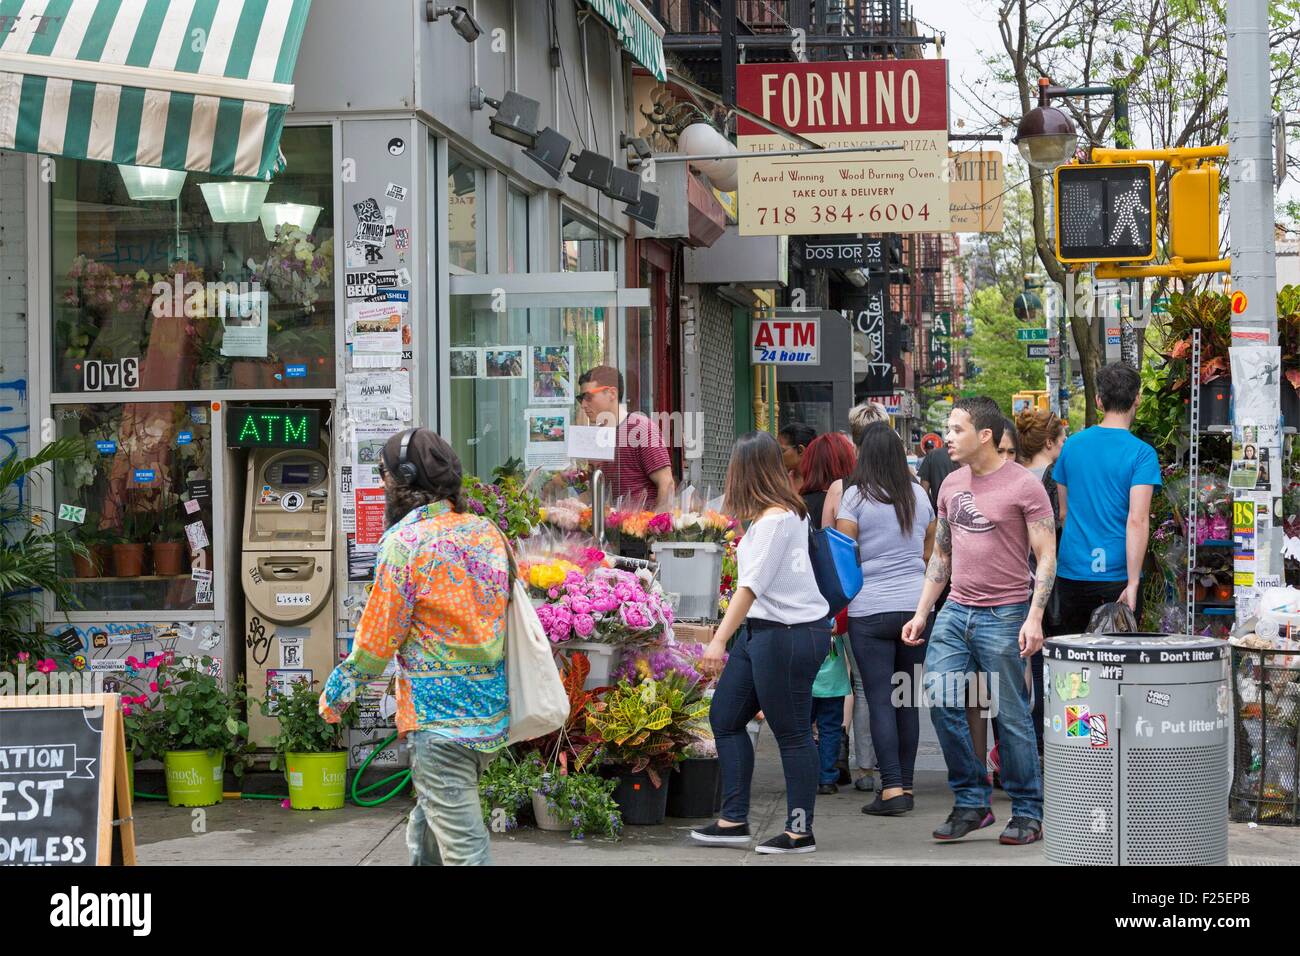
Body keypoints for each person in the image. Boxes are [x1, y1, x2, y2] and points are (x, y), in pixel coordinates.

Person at [319, 428, 510, 866]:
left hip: (439, 720)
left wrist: (339, 691)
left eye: (383, 473)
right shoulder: (487, 533)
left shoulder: (406, 545)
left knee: (465, 850)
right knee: (427, 827)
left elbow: (378, 636)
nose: (381, 482)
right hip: (488, 716)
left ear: (404, 480)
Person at [902, 397, 1056, 845]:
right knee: (943, 701)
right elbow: (942, 555)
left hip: (1006, 614)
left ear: (983, 435)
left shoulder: (1024, 486)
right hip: (955, 612)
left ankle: (1028, 811)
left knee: (1011, 717)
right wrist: (922, 612)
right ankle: (971, 801)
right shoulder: (949, 485)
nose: (947, 436)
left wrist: (1034, 617)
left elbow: (1045, 556)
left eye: (956, 429)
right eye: (947, 428)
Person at [695, 432, 832, 854]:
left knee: (790, 733)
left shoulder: (776, 521)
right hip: (764, 633)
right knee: (726, 716)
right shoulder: (778, 515)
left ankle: (799, 831)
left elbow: (750, 587)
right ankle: (733, 818)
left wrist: (717, 641)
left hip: (788, 635)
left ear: (746, 472)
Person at [836, 421, 936, 816]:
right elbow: (931, 550)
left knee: (879, 698)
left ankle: (891, 788)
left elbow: (844, 552)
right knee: (906, 699)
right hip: (915, 607)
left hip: (869, 608)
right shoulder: (918, 494)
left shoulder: (855, 498)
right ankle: (906, 786)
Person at [1053, 362, 1161, 629]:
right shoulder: (1142, 454)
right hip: (1117, 573)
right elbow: (1137, 519)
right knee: (1117, 663)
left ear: (1099, 401)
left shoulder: (1072, 446)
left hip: (1072, 570)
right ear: (1137, 398)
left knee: (1074, 660)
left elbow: (1063, 513)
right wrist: (1134, 582)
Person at [1016, 408, 1067, 757]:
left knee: (1028, 663)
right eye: (1061, 439)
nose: (1064, 445)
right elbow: (1059, 523)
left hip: (1018, 576)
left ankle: (1028, 743)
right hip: (1047, 576)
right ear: (1049, 443)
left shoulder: (1012, 475)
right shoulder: (1053, 479)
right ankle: (1052, 737)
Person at [576, 365, 674, 510]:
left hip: (638, 528)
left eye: (588, 397)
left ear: (612, 393)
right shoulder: (595, 436)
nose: (583, 405)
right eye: (580, 398)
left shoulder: (641, 428)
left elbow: (667, 483)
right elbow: (592, 492)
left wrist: (656, 527)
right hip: (605, 527)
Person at [918, 443, 958, 515]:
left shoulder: (932, 455)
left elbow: (923, 490)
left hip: (938, 512)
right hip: (962, 513)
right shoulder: (967, 457)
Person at [778, 422, 817, 490]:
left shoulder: (822, 481)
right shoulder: (781, 482)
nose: (778, 456)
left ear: (800, 450)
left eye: (781, 451)